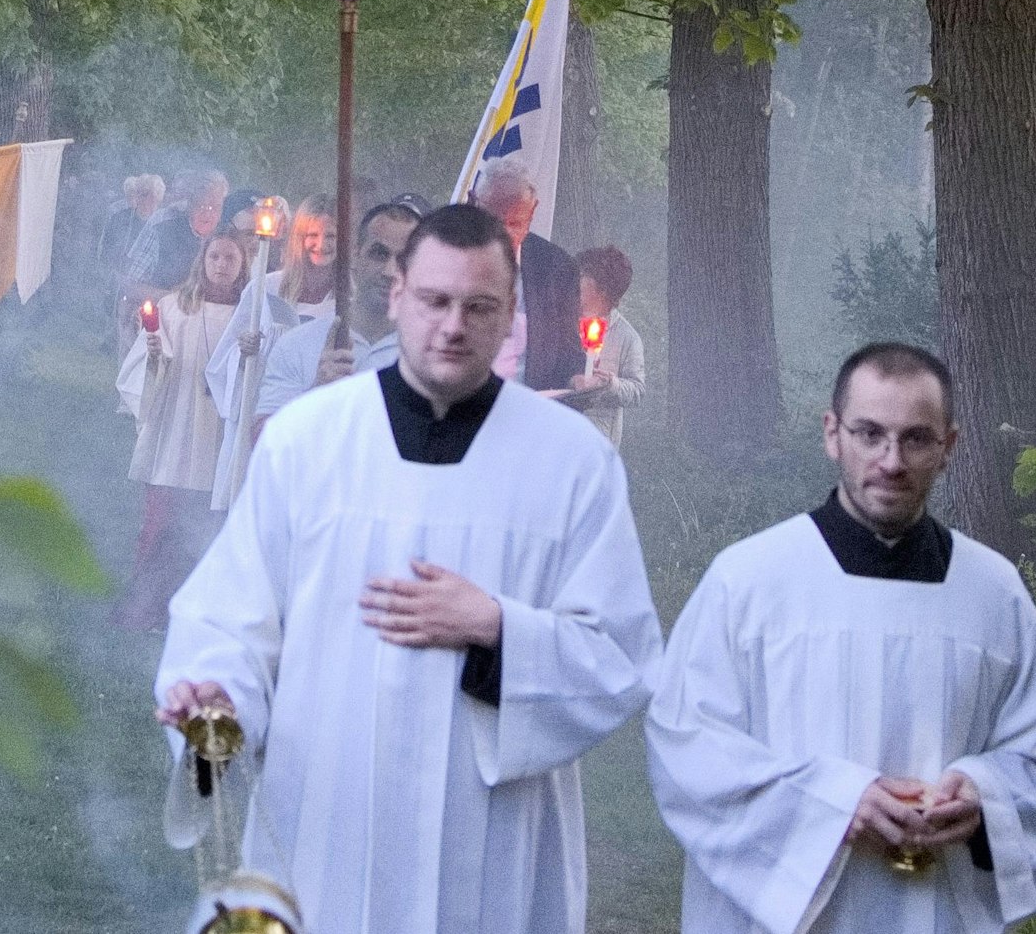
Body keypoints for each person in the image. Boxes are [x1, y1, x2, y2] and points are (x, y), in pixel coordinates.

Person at [156, 204, 662, 934]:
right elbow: (233, 617)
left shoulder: (571, 461)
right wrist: (217, 710)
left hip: (486, 829)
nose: (453, 325)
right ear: (398, 295)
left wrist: (496, 627)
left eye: (479, 305)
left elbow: (620, 651)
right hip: (325, 806)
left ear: (511, 312)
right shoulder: (307, 440)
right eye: (434, 300)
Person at [645, 343, 1036, 934]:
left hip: (937, 911)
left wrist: (986, 798)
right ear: (833, 434)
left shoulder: (993, 592)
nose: (891, 460)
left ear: (948, 448)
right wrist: (835, 806)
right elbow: (687, 747)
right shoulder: (749, 579)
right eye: (869, 433)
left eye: (916, 438)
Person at [115, 233, 249, 629]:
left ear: (243, 266)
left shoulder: (250, 315)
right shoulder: (176, 308)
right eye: (215, 256)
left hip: (219, 432)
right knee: (160, 522)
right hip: (176, 424)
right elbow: (148, 363)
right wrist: (156, 359)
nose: (222, 264)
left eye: (231, 258)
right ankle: (145, 610)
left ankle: (196, 615)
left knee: (208, 528)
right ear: (202, 260)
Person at [205, 193, 340, 509]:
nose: (321, 243)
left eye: (330, 235)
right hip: (262, 418)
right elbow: (222, 364)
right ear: (298, 238)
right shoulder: (265, 288)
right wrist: (244, 353)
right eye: (312, 235)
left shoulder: (349, 298)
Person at [253, 200, 420, 422]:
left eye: (404, 259)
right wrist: (316, 392)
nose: (390, 271)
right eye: (379, 254)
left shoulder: (435, 356)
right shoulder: (297, 345)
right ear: (354, 255)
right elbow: (263, 442)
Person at [471, 166, 582, 391]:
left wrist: (576, 379)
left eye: (514, 223)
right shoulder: (442, 255)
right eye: (492, 220)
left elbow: (567, 355)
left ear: (532, 212)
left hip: (526, 409)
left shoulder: (555, 268)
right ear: (473, 203)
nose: (501, 234)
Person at [564, 245, 645, 446]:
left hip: (596, 440)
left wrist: (610, 384)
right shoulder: (561, 321)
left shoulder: (626, 337)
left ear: (601, 288)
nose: (577, 281)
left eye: (583, 275)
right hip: (557, 429)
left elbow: (637, 391)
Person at [124, 169, 228, 309]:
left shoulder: (227, 235)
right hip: (164, 315)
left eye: (215, 207)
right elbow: (131, 286)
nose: (208, 213)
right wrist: (172, 298)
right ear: (190, 203)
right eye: (202, 205)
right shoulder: (163, 227)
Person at [102, 173, 165, 354]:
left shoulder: (161, 222)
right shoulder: (122, 217)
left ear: (157, 197)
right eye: (138, 193)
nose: (140, 198)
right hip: (124, 282)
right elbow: (108, 245)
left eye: (146, 194)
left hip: (151, 286)